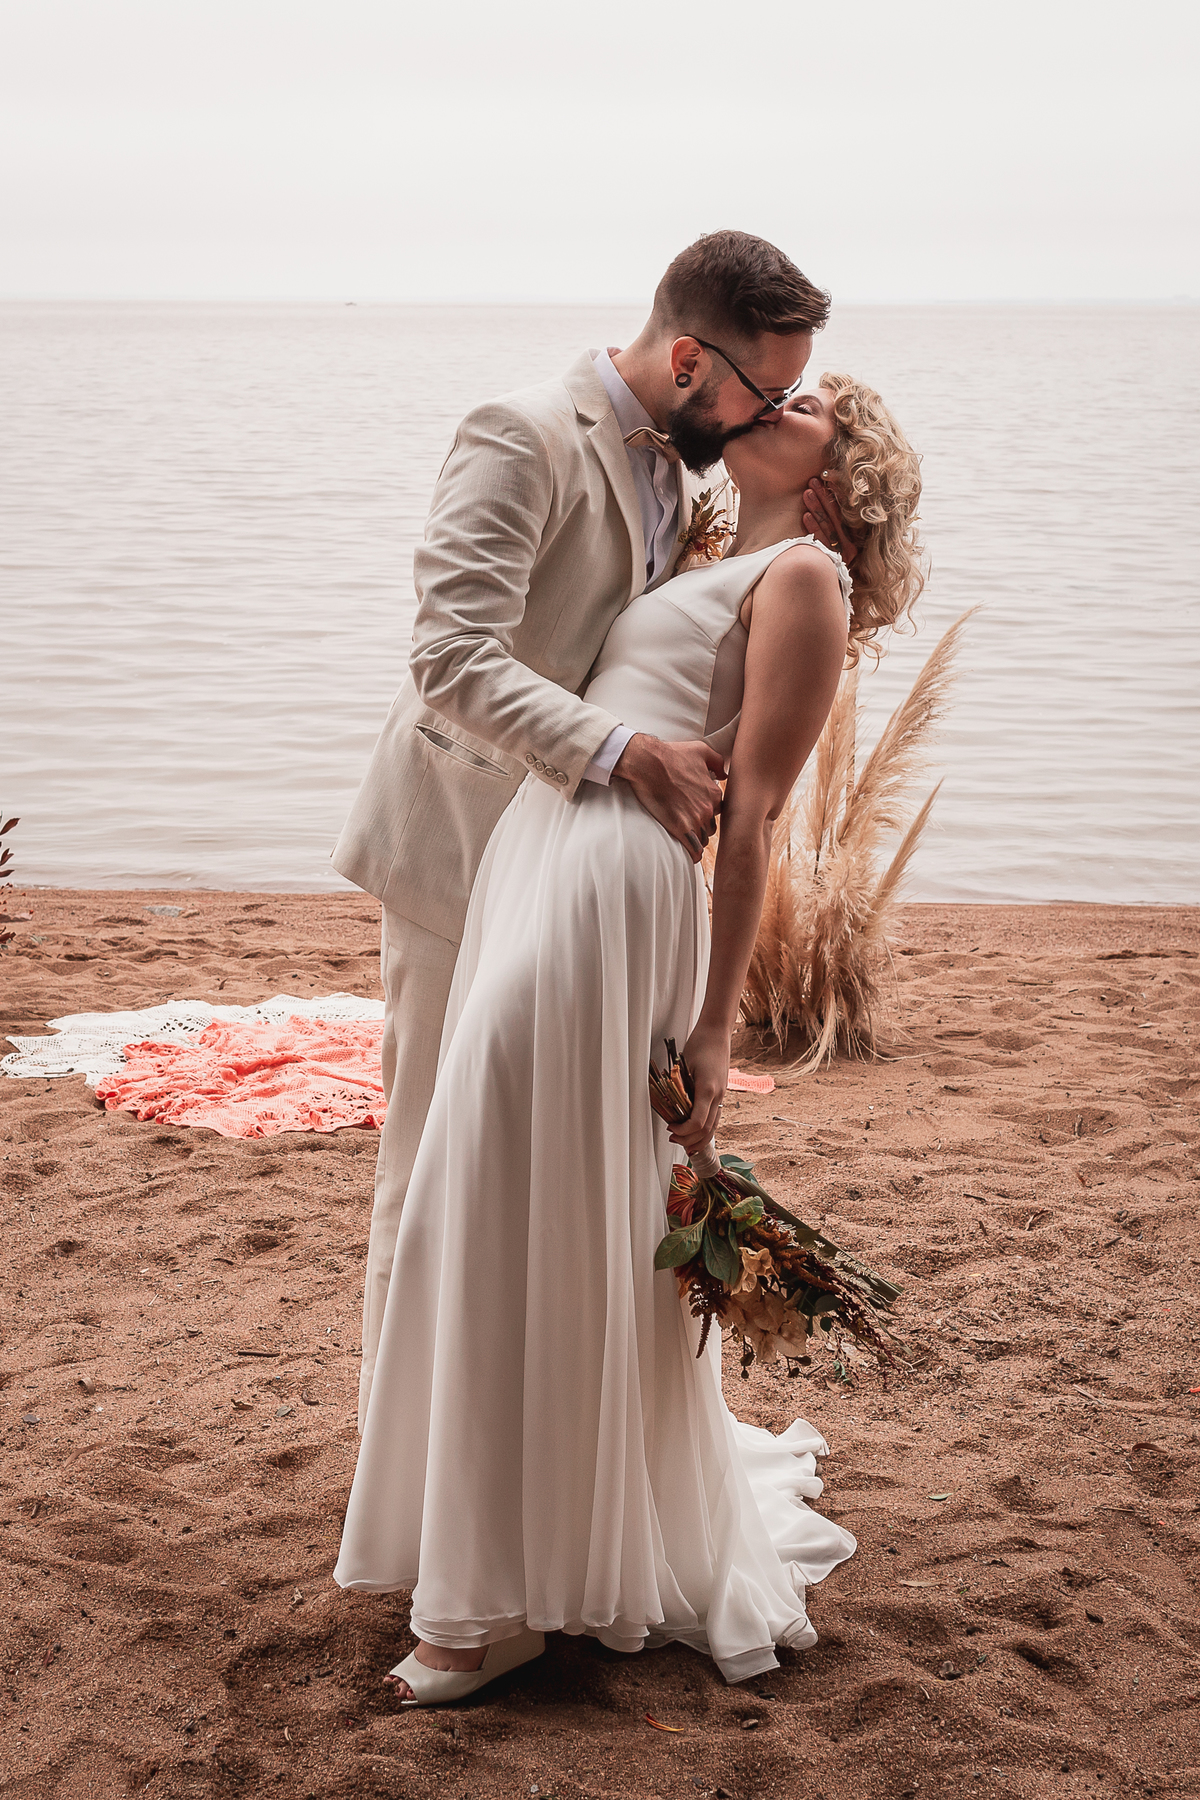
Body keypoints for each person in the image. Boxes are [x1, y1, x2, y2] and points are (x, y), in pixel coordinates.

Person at [332, 349, 926, 1701]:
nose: (785, 403)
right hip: (538, 855)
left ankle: (485, 1614)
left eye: (815, 404)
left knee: (494, 1189)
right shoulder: (710, 557)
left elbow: (755, 817)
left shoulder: (806, 582)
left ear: (839, 486)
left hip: (611, 889)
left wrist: (717, 1029)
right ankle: (494, 1562)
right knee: (488, 1198)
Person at [331, 230, 850, 1428]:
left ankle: (529, 1452)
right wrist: (625, 753)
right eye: (761, 391)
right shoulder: (519, 433)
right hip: (464, 849)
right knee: (432, 1166)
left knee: (543, 1177)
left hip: (574, 883)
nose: (768, 411)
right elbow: (449, 657)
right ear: (685, 357)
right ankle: (404, 1476)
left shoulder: (683, 469)